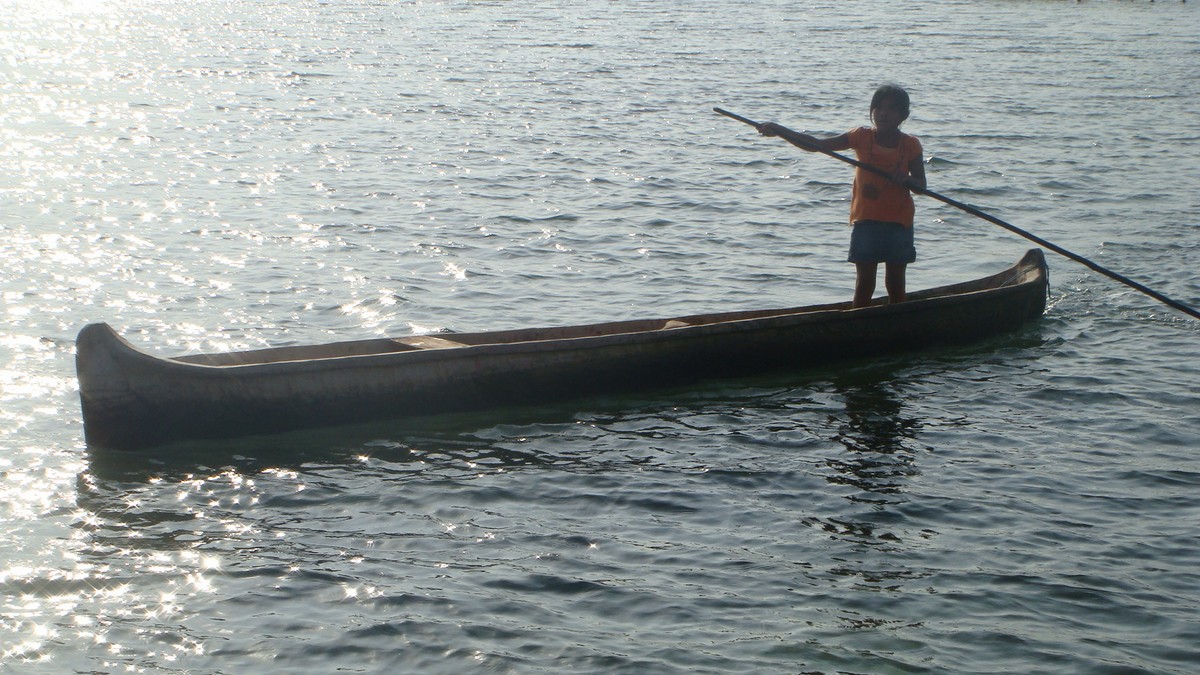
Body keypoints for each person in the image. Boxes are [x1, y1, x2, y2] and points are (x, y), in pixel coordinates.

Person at [757, 85, 927, 308]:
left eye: (891, 109)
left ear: (904, 115)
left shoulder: (910, 145)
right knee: (865, 282)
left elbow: (921, 186)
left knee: (895, 282)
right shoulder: (861, 136)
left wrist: (908, 180)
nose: (883, 113)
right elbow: (817, 145)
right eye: (878, 108)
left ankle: (897, 321)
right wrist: (780, 131)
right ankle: (859, 322)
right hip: (866, 221)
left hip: (899, 223)